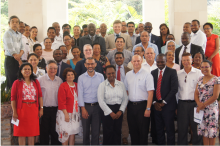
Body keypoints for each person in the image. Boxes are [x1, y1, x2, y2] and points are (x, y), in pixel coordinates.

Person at [124, 55, 154, 145]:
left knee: (143, 132)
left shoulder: (147, 75)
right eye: (134, 61)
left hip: (143, 107)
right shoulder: (128, 75)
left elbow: (151, 93)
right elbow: (126, 90)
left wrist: (148, 108)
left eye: (138, 61)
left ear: (141, 61)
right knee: (133, 132)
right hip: (131, 107)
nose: (136, 63)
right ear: (131, 62)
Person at [11, 63, 43, 145]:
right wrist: (14, 111)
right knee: (21, 133)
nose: (27, 71)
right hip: (21, 110)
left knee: (31, 133)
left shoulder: (36, 82)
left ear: (32, 71)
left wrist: (41, 108)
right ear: (21, 71)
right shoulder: (16, 82)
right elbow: (13, 99)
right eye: (25, 69)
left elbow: (40, 96)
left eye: (29, 69)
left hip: (33, 109)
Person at [151, 54, 178, 145]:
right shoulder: (153, 73)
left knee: (170, 129)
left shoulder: (172, 72)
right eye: (158, 61)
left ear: (166, 61)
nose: (160, 63)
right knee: (159, 129)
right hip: (156, 106)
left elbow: (174, 89)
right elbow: (151, 89)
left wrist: (164, 102)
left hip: (168, 106)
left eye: (162, 61)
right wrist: (154, 102)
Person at [176, 52, 203, 145]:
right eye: (184, 60)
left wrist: (200, 104)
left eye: (188, 60)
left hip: (195, 104)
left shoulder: (199, 73)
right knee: (182, 129)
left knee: (196, 129)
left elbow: (202, 90)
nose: (186, 62)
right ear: (181, 61)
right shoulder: (178, 74)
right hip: (182, 104)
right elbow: (176, 91)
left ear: (192, 60)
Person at [97, 65, 128, 145]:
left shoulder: (121, 84)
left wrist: (120, 111)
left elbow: (125, 99)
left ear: (115, 73)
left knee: (117, 131)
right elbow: (101, 101)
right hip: (107, 111)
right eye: (109, 73)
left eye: (113, 73)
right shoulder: (102, 85)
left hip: (119, 110)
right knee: (108, 132)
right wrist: (110, 113)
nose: (111, 75)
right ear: (105, 74)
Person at [78, 57, 104, 145]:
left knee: (96, 131)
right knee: (85, 131)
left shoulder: (100, 76)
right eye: (88, 64)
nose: (90, 66)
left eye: (92, 64)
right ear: (85, 65)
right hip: (86, 107)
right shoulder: (81, 78)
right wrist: (83, 108)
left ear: (95, 64)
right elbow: (80, 94)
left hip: (97, 107)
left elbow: (102, 92)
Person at [195, 60, 220, 145]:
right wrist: (199, 104)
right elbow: (196, 93)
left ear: (211, 67)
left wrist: (203, 105)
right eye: (202, 67)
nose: (204, 69)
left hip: (211, 110)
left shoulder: (216, 79)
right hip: (201, 109)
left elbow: (215, 96)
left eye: (207, 67)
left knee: (211, 132)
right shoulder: (200, 79)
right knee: (204, 131)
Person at [39, 60, 63, 145]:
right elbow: (38, 96)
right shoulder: (40, 80)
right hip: (44, 109)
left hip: (56, 110)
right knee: (44, 132)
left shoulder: (59, 80)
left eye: (55, 68)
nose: (53, 70)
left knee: (55, 131)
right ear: (46, 68)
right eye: (50, 68)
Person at [56, 68, 81, 145]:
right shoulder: (63, 86)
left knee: (72, 134)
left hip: (75, 114)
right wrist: (66, 114)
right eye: (68, 75)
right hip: (65, 113)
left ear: (74, 76)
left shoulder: (77, 85)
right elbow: (61, 101)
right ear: (65, 77)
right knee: (65, 134)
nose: (70, 76)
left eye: (72, 74)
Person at [114, 52, 131, 145]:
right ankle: (116, 136)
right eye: (117, 58)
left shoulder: (129, 70)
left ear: (123, 58)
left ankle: (125, 137)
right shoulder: (111, 69)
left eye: (120, 58)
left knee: (124, 118)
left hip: (125, 98)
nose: (119, 59)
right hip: (113, 98)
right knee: (114, 118)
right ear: (115, 59)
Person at [3, 15, 24, 89]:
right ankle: (10, 100)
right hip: (10, 60)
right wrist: (19, 60)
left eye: (16, 22)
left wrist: (20, 56)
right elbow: (11, 49)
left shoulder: (19, 34)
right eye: (13, 22)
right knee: (11, 82)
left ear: (18, 24)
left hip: (17, 60)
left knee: (18, 81)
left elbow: (22, 47)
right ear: (9, 23)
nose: (15, 24)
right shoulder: (7, 33)